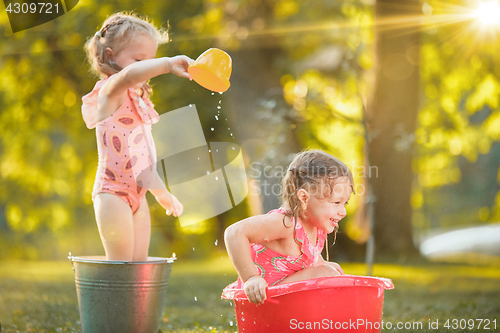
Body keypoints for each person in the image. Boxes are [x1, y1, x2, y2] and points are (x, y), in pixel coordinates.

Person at [82, 12, 192, 261]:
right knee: (120, 266)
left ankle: (134, 299)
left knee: (138, 268)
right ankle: (113, 299)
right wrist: (166, 64)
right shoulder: (111, 90)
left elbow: (142, 159)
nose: (147, 67)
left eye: (150, 60)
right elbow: (128, 76)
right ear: (111, 55)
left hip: (138, 195)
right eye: (140, 59)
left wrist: (162, 194)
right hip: (112, 193)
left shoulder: (139, 99)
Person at [223, 150, 353, 304]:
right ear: (304, 198)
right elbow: (234, 233)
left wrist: (326, 267)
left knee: (333, 269)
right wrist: (251, 278)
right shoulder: (285, 223)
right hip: (262, 298)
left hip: (282, 299)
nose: (343, 212)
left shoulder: (315, 229)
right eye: (336, 203)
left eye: (345, 203)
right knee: (327, 272)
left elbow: (312, 264)